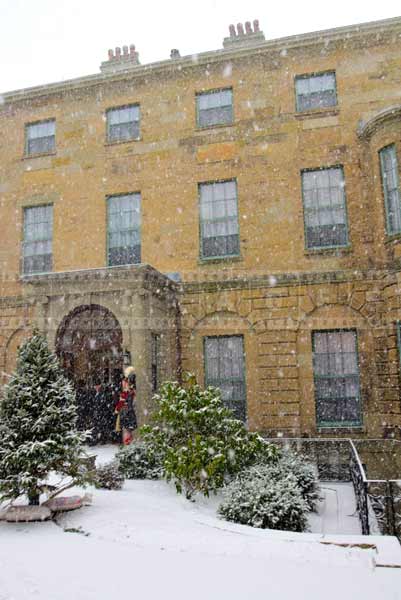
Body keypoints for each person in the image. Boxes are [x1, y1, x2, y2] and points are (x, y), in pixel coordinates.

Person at [114, 366, 137, 445]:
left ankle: (128, 446)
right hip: (127, 413)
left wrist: (117, 409)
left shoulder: (128, 392)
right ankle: (128, 445)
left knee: (127, 432)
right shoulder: (129, 391)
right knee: (127, 431)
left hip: (127, 413)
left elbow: (123, 402)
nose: (123, 384)